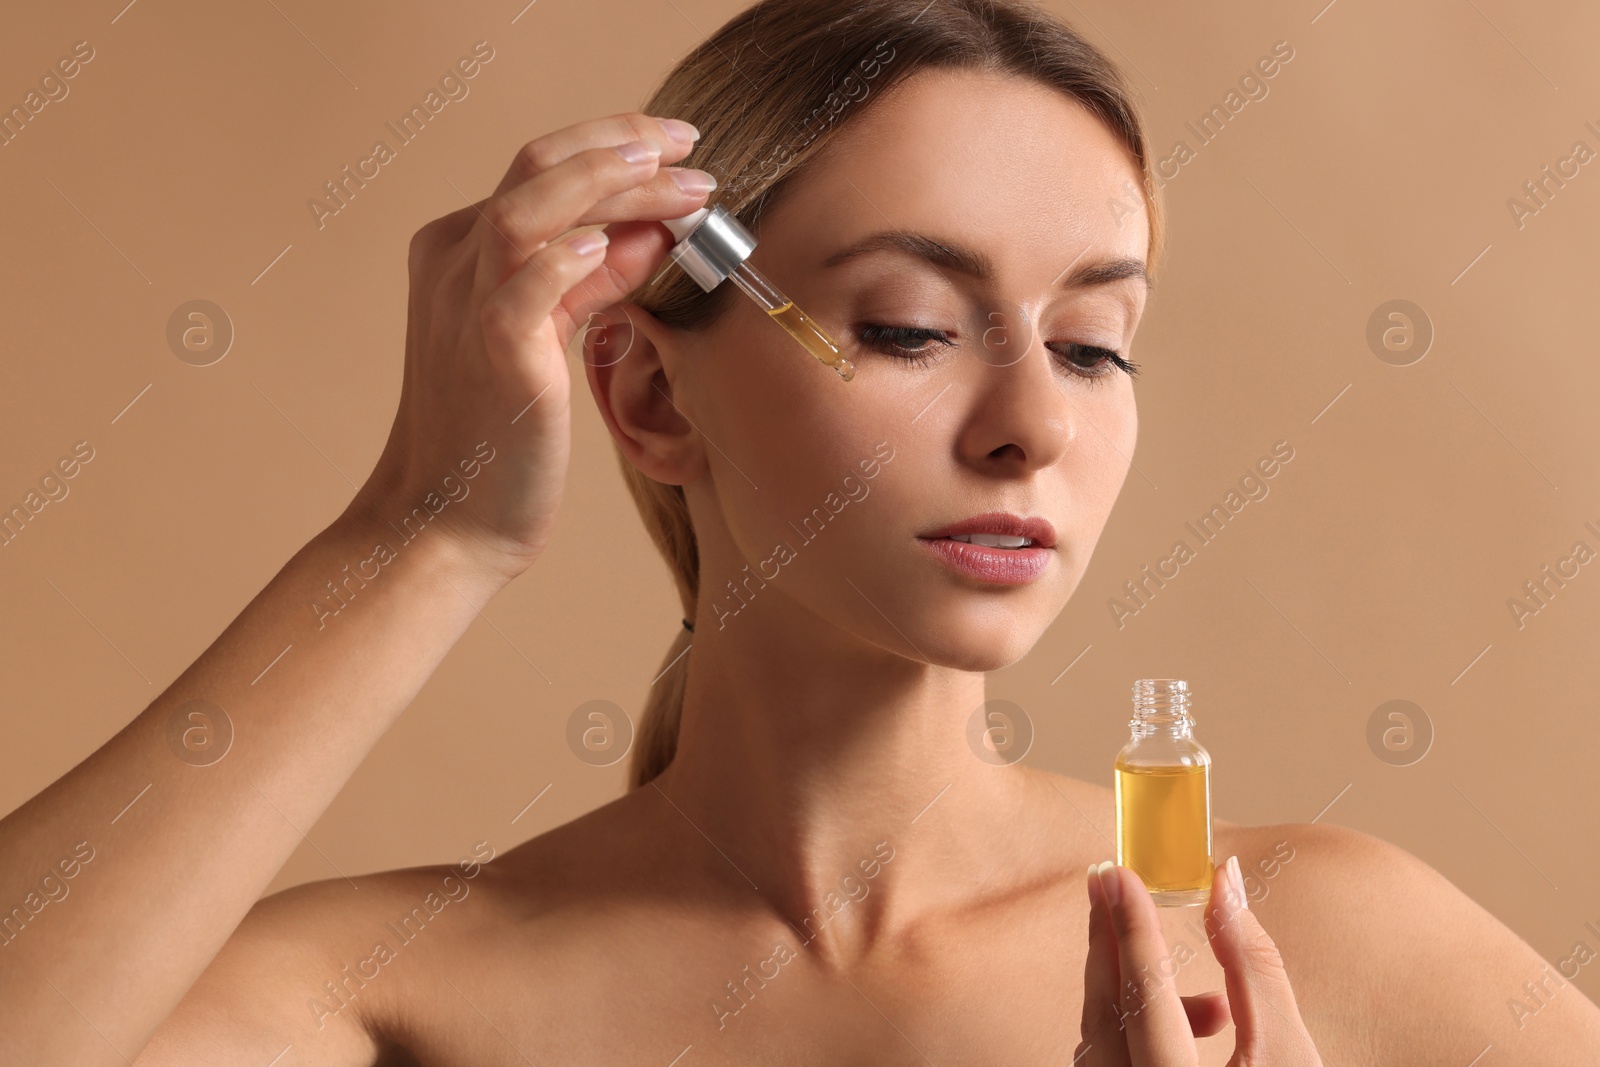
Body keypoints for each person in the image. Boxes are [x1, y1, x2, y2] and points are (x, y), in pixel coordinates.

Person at [4, 0, 1599, 1063]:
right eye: (909, 328)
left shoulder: (1295, 939)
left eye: (1096, 344)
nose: (1032, 425)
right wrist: (422, 535)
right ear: (646, 400)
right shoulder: (401, 987)